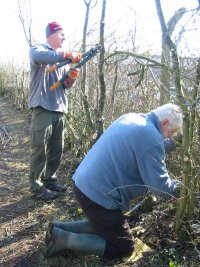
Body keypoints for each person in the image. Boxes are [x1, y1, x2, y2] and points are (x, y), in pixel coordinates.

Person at [45, 103, 183, 259]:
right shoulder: (150, 136)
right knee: (124, 247)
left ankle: (58, 228)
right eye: (170, 132)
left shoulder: (133, 118)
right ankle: (65, 240)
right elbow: (160, 187)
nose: (169, 136)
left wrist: (173, 144)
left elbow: (149, 144)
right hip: (98, 197)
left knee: (105, 226)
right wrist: (183, 190)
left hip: (84, 185)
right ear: (164, 123)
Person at [28, 22, 82, 201]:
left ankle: (50, 181)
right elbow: (41, 56)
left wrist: (71, 77)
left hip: (60, 109)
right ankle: (36, 188)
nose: (64, 38)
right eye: (61, 34)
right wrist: (66, 55)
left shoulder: (63, 60)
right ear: (51, 34)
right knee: (40, 148)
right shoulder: (39, 49)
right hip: (43, 107)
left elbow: (65, 85)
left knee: (56, 149)